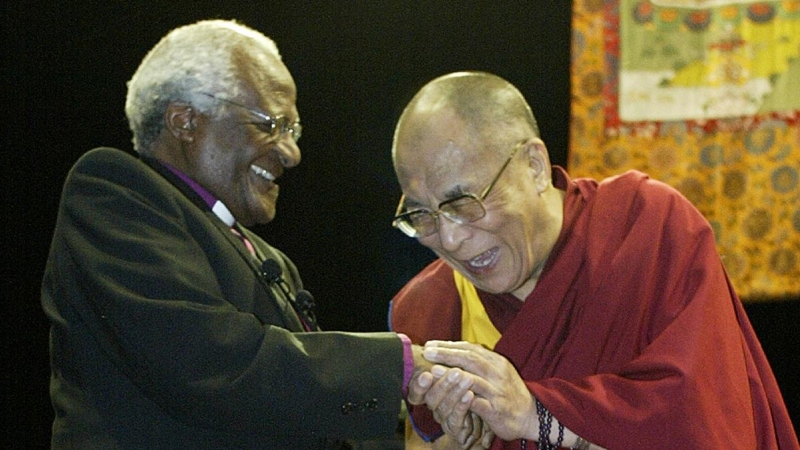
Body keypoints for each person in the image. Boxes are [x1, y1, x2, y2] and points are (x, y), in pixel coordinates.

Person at [40, 19, 451, 450]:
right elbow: (202, 360)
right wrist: (399, 365)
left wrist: (423, 440)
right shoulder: (114, 191)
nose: (291, 153)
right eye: (270, 124)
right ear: (185, 121)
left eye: (292, 131)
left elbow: (299, 411)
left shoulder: (269, 260)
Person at [389, 71, 800, 450]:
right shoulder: (429, 310)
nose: (451, 239)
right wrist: (466, 441)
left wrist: (533, 413)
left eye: (463, 203)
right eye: (422, 216)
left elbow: (703, 423)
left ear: (533, 166)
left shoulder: (645, 228)